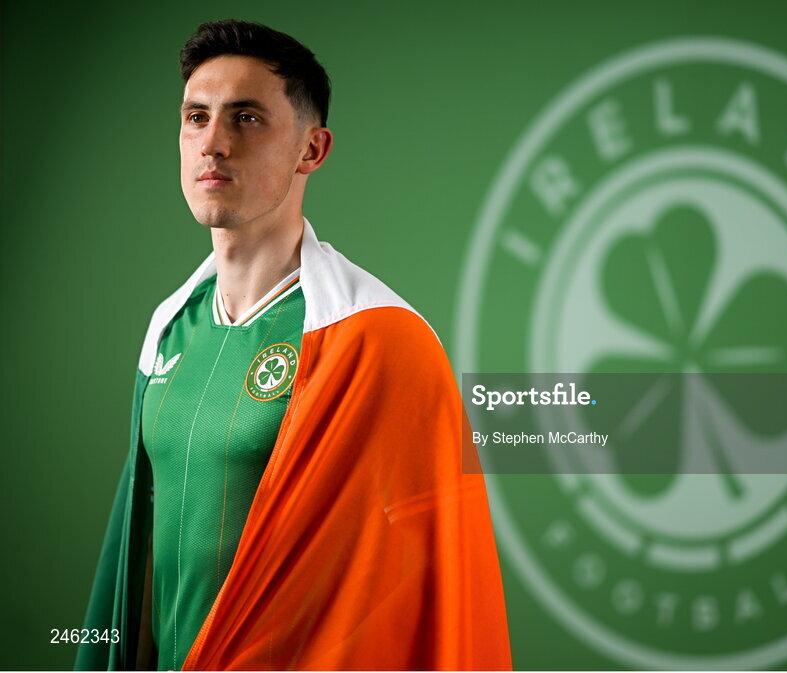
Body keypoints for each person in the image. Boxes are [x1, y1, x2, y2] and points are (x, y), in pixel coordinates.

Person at [75, 19, 511, 671]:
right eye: (196, 117)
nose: (213, 144)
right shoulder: (168, 328)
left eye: (246, 118)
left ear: (313, 148)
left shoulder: (378, 336)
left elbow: (432, 573)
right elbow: (142, 556)